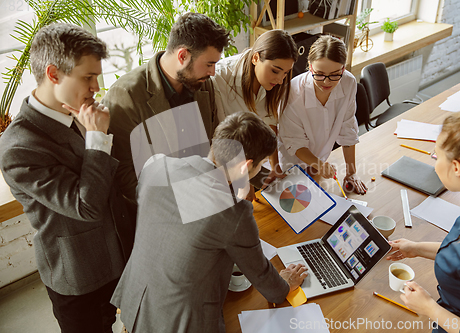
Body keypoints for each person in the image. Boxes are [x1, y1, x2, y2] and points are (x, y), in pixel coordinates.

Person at [111, 111, 308, 333]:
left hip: (134, 303)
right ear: (246, 165)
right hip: (181, 324)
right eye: (260, 165)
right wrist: (284, 283)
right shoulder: (234, 212)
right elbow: (263, 278)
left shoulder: (156, 166)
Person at [0, 23, 134, 333]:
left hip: (122, 257)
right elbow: (85, 207)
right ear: (53, 74)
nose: (96, 87)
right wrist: (97, 137)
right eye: (88, 77)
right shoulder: (18, 148)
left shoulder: (81, 110)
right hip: (80, 278)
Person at [103, 12, 231, 213]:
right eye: (209, 64)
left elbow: (214, 143)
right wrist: (175, 207)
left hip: (204, 203)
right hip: (157, 214)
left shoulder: (204, 85)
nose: (213, 72)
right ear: (183, 56)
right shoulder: (125, 95)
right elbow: (124, 175)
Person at [386, 110, 460, 333]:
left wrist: (429, 308)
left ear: (457, 168)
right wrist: (416, 248)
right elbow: (459, 254)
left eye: (436, 155)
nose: (434, 161)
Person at [278, 36, 367, 194]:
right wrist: (319, 164)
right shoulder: (293, 93)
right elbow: (295, 142)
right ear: (310, 67)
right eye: (319, 74)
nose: (326, 82)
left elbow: (347, 128)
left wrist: (351, 172)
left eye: (334, 75)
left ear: (343, 69)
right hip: (290, 166)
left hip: (318, 164)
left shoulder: (348, 83)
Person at [212, 29, 298, 189]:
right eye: (275, 71)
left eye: (285, 73)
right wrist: (242, 181)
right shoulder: (220, 79)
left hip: (252, 163)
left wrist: (275, 167)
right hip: (226, 167)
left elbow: (271, 124)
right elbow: (221, 141)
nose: (280, 80)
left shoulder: (274, 84)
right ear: (256, 58)